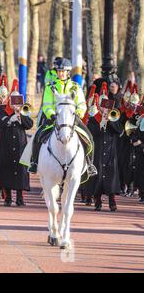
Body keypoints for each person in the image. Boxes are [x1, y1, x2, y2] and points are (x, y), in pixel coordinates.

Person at [28, 58, 97, 177]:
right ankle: (34, 162)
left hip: (72, 118)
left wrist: (78, 114)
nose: (60, 73)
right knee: (38, 135)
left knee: (89, 137)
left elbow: (81, 104)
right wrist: (51, 114)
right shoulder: (50, 87)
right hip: (54, 118)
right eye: (59, 71)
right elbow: (47, 104)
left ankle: (90, 164)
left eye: (63, 71)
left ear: (68, 72)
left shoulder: (75, 87)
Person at [0, 80, 34, 207]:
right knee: (6, 171)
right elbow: (0, 123)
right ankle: (8, 198)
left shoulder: (23, 111)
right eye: (13, 101)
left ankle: (20, 198)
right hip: (6, 145)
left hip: (20, 145)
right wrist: (11, 118)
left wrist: (20, 115)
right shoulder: (2, 110)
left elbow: (29, 125)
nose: (15, 104)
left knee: (21, 172)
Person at [84, 83, 123, 211]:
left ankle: (112, 200)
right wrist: (100, 122)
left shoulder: (113, 116)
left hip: (111, 150)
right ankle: (97, 200)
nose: (104, 108)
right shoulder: (94, 119)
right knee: (98, 175)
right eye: (102, 106)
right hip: (98, 150)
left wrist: (109, 120)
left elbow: (118, 130)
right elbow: (91, 132)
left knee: (111, 174)